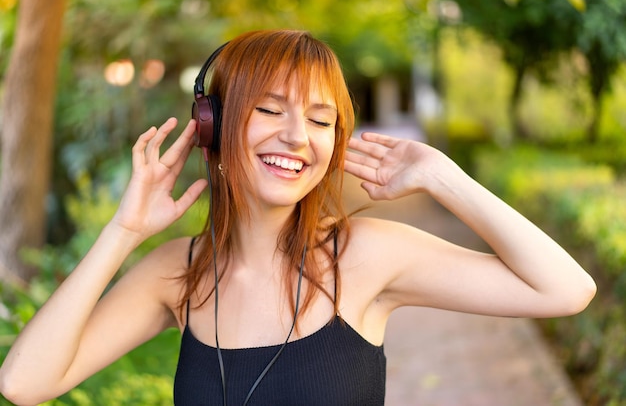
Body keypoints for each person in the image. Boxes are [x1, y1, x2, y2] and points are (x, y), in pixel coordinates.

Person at [0, 29, 596, 406]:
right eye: (269, 108)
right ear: (212, 123)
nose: (297, 137)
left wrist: (442, 177)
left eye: (320, 119)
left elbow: (566, 289)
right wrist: (123, 232)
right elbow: (25, 384)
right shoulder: (175, 275)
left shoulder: (366, 257)